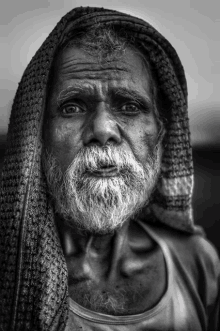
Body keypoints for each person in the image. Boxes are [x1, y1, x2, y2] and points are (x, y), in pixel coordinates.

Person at [0, 6, 219, 331]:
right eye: (72, 107)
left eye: (130, 106)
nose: (102, 128)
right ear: (39, 134)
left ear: (160, 133)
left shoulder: (197, 261)